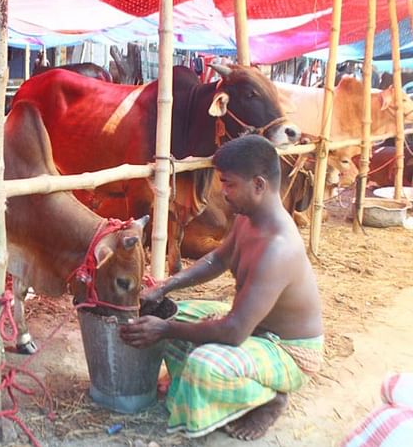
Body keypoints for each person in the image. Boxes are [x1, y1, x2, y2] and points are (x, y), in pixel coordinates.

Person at [119, 134, 324, 441]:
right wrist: (164, 287)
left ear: (258, 185)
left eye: (229, 184)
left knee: (202, 362)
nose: (223, 193)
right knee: (177, 312)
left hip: (287, 350)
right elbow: (218, 259)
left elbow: (234, 331)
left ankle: (268, 398)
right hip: (252, 327)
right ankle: (196, 386)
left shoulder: (279, 248)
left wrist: (165, 329)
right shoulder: (248, 218)